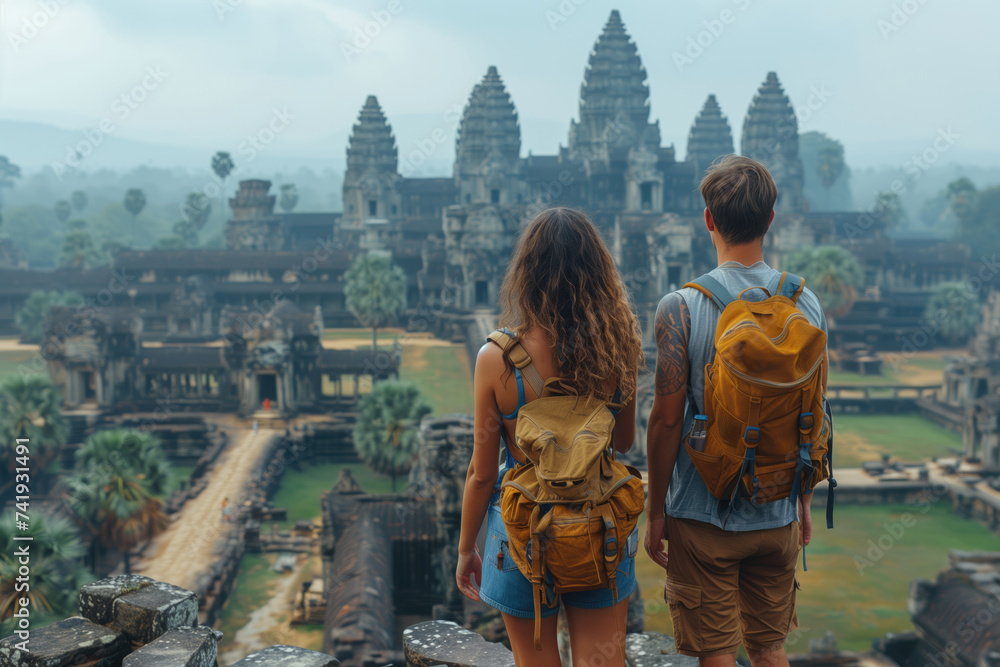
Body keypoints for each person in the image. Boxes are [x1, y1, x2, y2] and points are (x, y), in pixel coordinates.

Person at [645, 155, 827, 666]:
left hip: (702, 512)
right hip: (777, 507)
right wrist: (803, 499)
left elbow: (666, 421)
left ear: (708, 219)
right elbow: (814, 411)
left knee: (716, 652)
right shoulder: (806, 303)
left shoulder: (680, 307)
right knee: (770, 649)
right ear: (771, 219)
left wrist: (655, 511)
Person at [455, 207, 643, 666]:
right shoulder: (619, 349)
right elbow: (622, 442)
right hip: (599, 524)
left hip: (521, 529)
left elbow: (482, 474)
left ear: (526, 274)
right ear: (599, 275)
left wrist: (465, 549)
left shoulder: (495, 359)